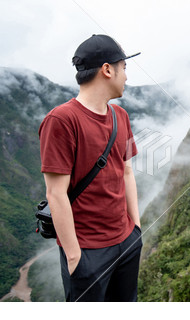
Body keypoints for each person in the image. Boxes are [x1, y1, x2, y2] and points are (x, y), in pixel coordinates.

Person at [39, 34, 142, 302]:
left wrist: (136, 231)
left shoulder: (121, 116)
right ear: (108, 70)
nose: (127, 77)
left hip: (126, 243)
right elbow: (55, 193)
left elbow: (126, 172)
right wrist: (74, 257)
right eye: (124, 68)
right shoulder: (61, 120)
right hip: (87, 253)